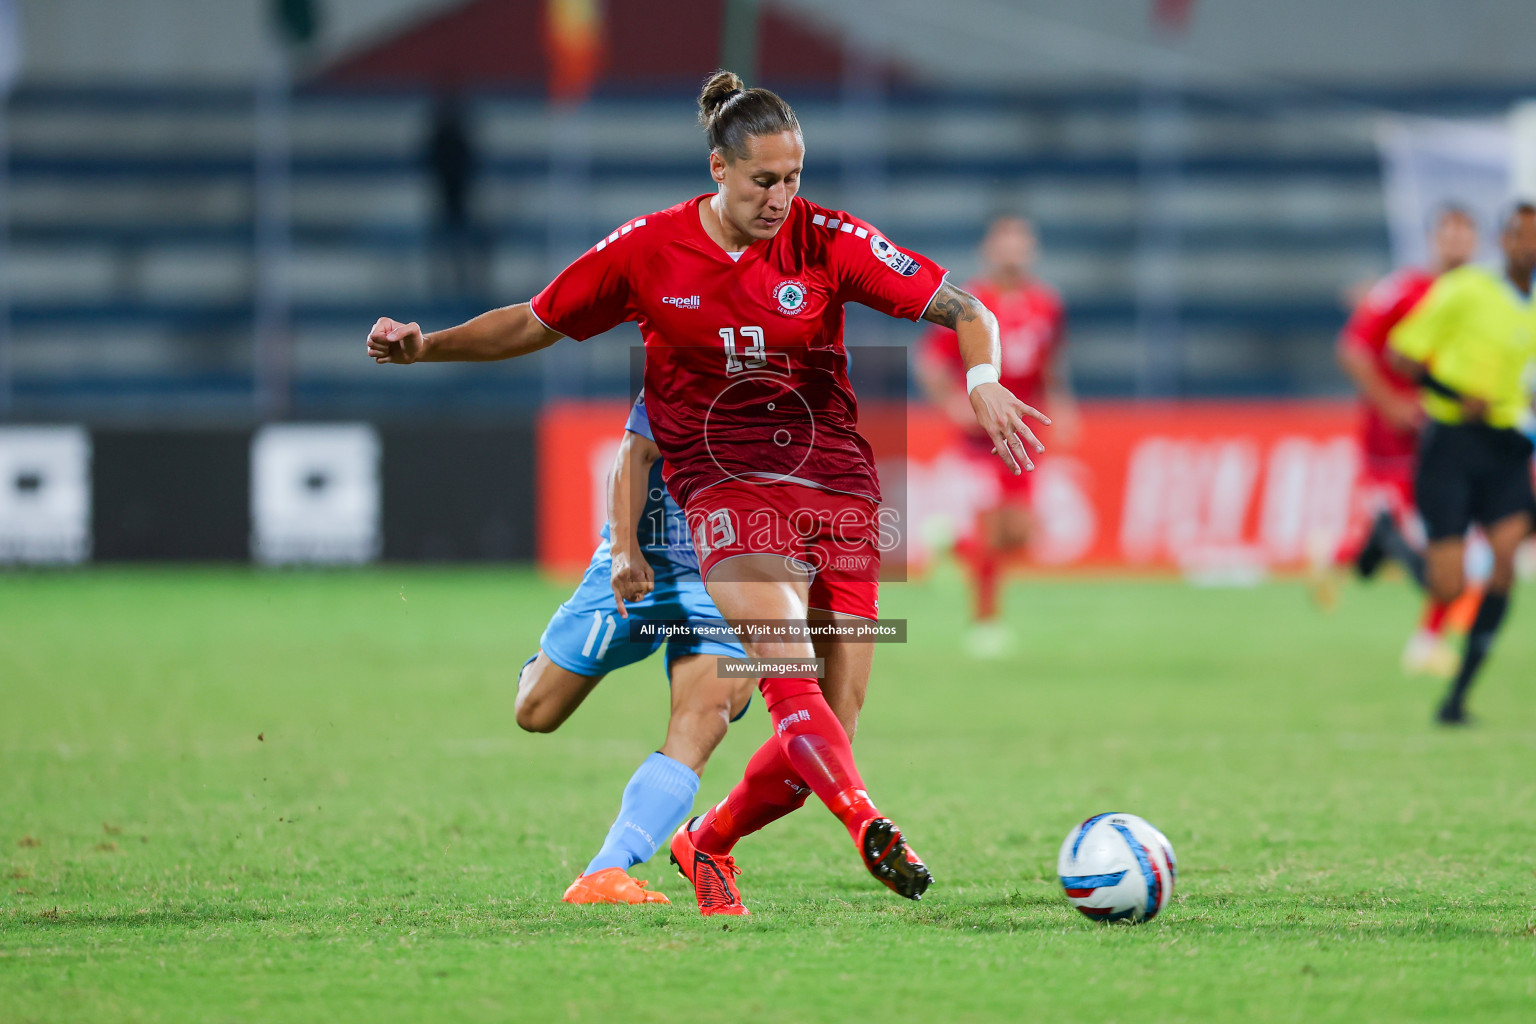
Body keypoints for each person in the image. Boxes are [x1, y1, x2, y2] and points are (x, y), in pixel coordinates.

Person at [367, 70, 1047, 915]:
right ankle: (868, 822)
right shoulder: (646, 252)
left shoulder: (827, 239)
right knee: (757, 691)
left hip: (836, 486)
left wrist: (982, 375)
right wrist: (424, 347)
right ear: (718, 169)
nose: (781, 198)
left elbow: (964, 306)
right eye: (764, 180)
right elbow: (534, 321)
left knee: (823, 737)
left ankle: (706, 840)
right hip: (720, 492)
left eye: (793, 178)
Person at [515, 392, 753, 905]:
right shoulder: (689, 367)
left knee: (706, 714)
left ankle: (605, 871)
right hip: (645, 561)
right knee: (535, 712)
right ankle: (553, 659)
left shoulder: (811, 394)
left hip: (729, 578)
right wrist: (625, 551)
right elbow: (633, 455)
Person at [1388, 201, 1536, 725]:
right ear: (1505, 242)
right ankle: (1388, 540)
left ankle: (1456, 699)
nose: (1530, 246)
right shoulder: (1465, 291)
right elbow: (1400, 354)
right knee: (1448, 585)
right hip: (1452, 443)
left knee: (1503, 568)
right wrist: (1454, 392)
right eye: (1522, 235)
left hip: (1506, 449)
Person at [915, 214, 1078, 657]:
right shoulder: (972, 304)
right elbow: (930, 361)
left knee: (1020, 532)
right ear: (989, 250)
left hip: (1023, 428)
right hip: (981, 433)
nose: (1014, 251)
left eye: (1021, 243)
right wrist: (952, 402)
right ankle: (986, 623)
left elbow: (1052, 363)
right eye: (1005, 243)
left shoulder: (1046, 304)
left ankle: (949, 541)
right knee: (991, 528)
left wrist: (1062, 405)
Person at [1326, 206, 1478, 675]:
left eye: (1464, 234)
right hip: (1395, 438)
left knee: (1451, 541)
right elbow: (1352, 349)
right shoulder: (1404, 289)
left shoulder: (1480, 296)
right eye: (1447, 233)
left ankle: (1426, 640)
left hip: (1452, 435)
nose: (1455, 243)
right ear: (1433, 238)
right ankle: (1364, 550)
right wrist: (1391, 403)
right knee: (1431, 550)